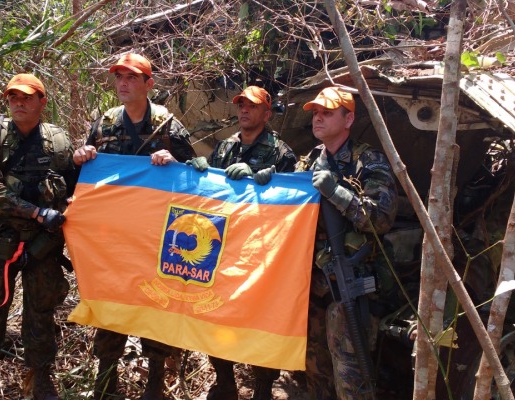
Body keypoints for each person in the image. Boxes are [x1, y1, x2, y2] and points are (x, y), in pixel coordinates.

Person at [72, 53, 196, 400]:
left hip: (154, 238)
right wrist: (81, 157)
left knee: (155, 305)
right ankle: (106, 380)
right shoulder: (105, 123)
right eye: (119, 77)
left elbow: (194, 179)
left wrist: (174, 161)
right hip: (112, 239)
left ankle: (155, 380)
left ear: (148, 84)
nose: (123, 84)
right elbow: (84, 177)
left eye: (131, 77)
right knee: (112, 303)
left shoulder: (168, 126)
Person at [0, 73, 77, 400]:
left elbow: (75, 188)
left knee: (41, 312)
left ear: (42, 102)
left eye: (26, 97)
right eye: (13, 97)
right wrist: (36, 211)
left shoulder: (58, 141)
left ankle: (40, 378)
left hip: (43, 247)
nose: (18, 103)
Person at [187, 85, 298, 400]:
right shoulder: (224, 148)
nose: (244, 110)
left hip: (261, 248)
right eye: (241, 105)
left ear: (267, 112)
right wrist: (200, 173)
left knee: (260, 317)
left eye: (252, 106)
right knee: (217, 315)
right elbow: (211, 195)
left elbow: (290, 202)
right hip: (224, 245)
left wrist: (258, 180)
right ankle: (225, 382)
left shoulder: (281, 152)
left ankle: (263, 386)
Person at [297, 87, 398, 399]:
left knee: (351, 373)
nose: (318, 118)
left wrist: (337, 193)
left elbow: (381, 218)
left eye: (327, 112)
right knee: (314, 368)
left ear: (349, 118)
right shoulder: (309, 161)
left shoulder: (368, 160)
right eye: (315, 113)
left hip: (351, 283)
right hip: (313, 283)